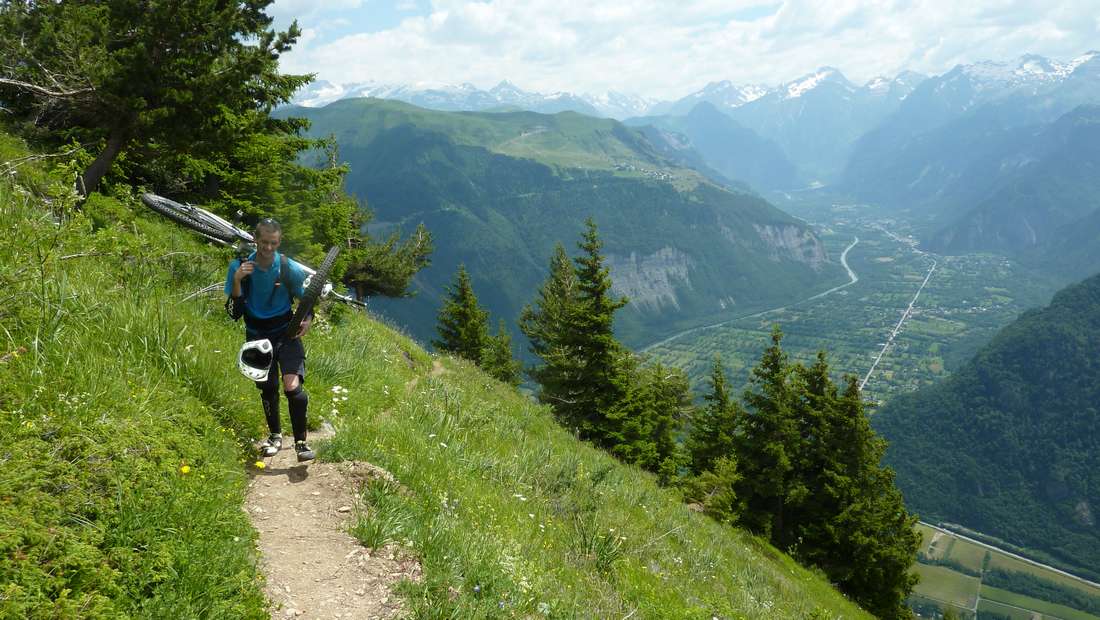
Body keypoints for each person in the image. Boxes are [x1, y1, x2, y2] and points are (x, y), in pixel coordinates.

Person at [225, 218, 316, 462]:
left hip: (286, 332)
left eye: (273, 243)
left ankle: (301, 442)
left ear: (279, 242)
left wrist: (307, 318)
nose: (268, 248)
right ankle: (275, 436)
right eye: (264, 242)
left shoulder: (287, 266)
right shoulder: (240, 266)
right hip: (256, 333)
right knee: (267, 388)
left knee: (292, 387)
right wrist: (237, 281)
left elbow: (306, 298)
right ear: (255, 239)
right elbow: (234, 313)